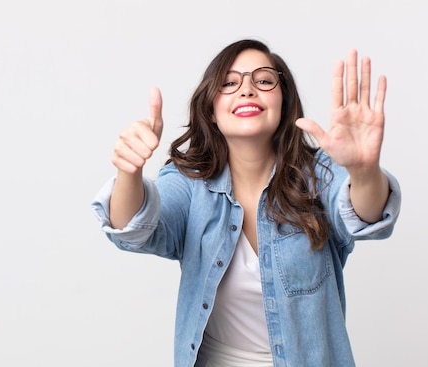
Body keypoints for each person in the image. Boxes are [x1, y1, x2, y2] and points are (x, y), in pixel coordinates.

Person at [91, 39, 401, 367]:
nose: (247, 89)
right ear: (211, 109)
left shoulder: (320, 175)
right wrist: (129, 172)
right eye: (229, 82)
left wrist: (364, 172)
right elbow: (133, 228)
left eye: (264, 80)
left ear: (284, 100)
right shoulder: (189, 182)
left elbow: (366, 216)